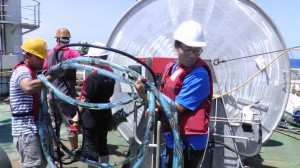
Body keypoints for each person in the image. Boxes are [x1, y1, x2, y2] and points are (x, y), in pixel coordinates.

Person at [134, 20, 213, 168]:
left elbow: (176, 109)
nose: (192, 55)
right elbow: (164, 97)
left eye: (197, 51)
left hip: (188, 142)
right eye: (188, 50)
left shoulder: (199, 75)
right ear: (176, 46)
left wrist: (145, 97)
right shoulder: (171, 68)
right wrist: (154, 107)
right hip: (172, 135)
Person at [9, 37, 66, 167]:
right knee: (34, 165)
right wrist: (53, 76)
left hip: (36, 127)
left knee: (42, 163)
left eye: (43, 57)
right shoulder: (22, 70)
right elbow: (28, 87)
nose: (42, 61)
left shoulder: (33, 72)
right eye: (39, 58)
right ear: (27, 56)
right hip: (26, 130)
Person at [73, 43, 115, 167]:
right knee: (102, 144)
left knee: (90, 147)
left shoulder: (93, 76)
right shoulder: (111, 75)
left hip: (91, 118)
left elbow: (85, 100)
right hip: (105, 114)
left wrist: (76, 116)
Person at [43, 28, 80, 158]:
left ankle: (55, 149)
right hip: (66, 96)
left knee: (54, 123)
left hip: (52, 94)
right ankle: (75, 152)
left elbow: (45, 70)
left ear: (57, 39)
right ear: (69, 39)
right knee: (70, 123)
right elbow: (82, 63)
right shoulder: (71, 52)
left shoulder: (50, 53)